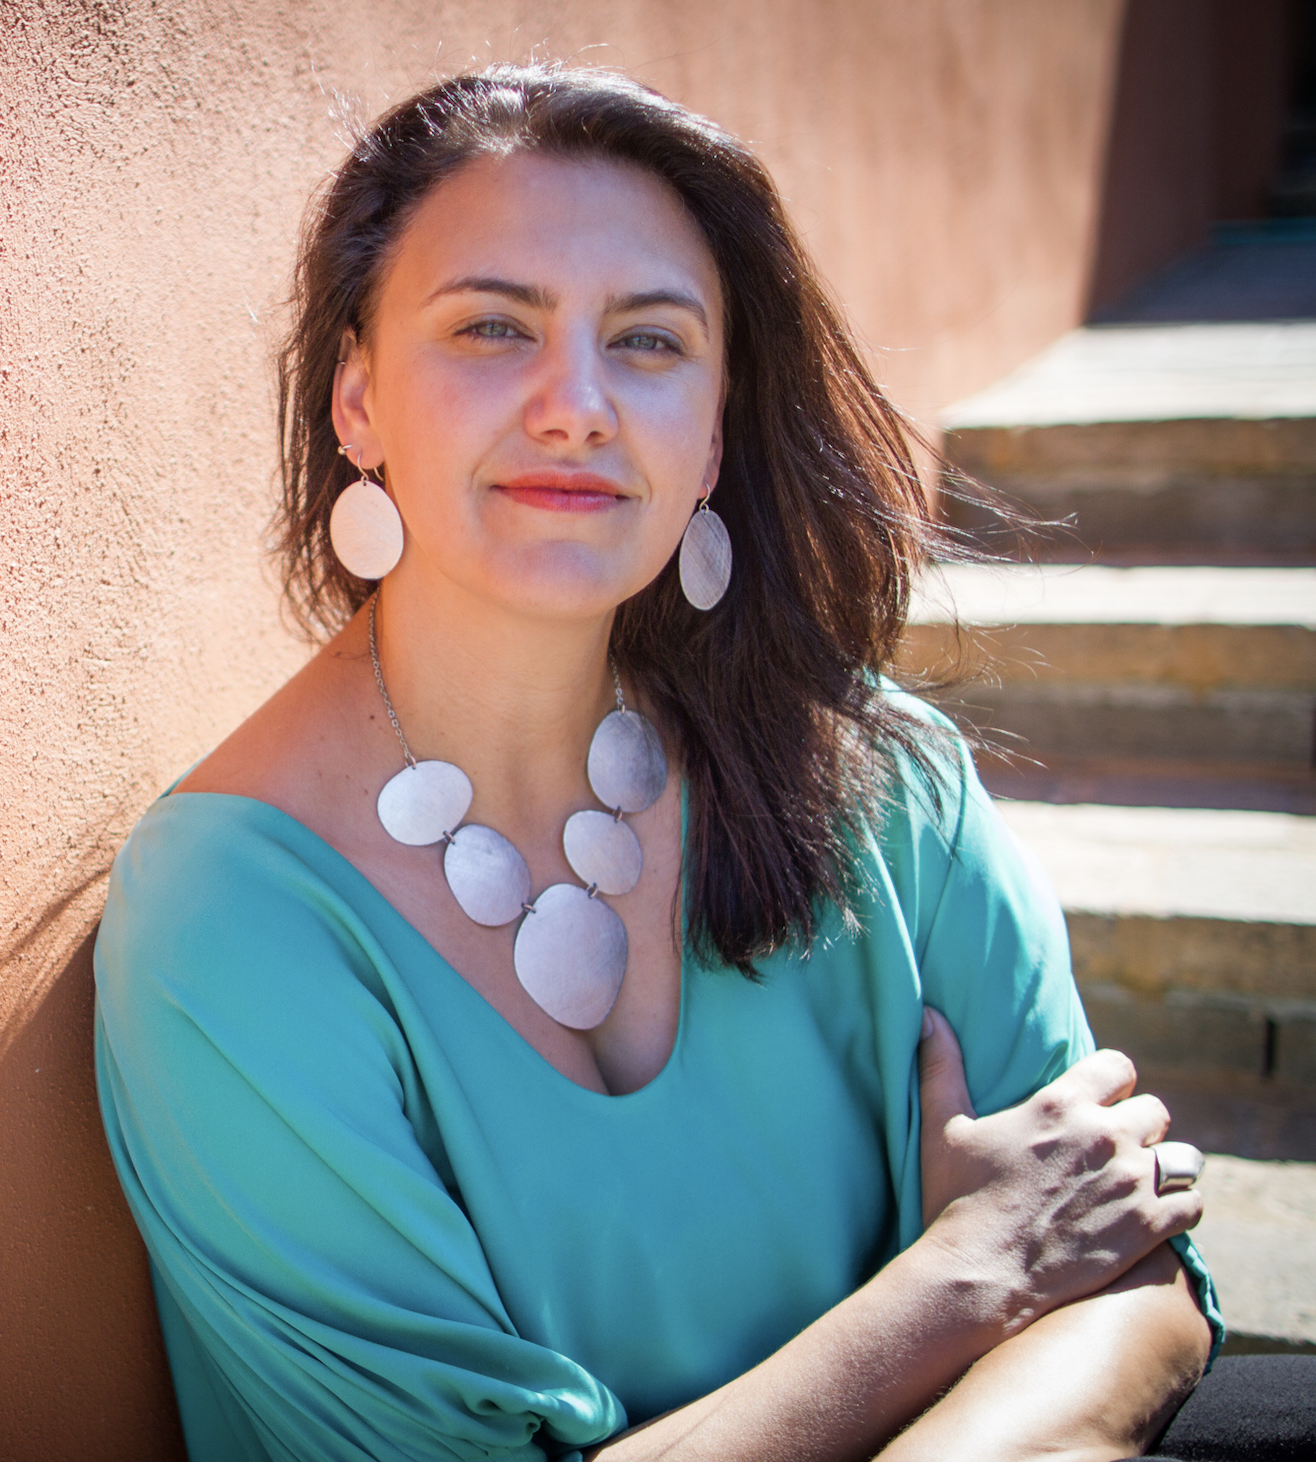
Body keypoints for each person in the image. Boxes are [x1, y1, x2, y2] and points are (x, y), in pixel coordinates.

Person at [94, 66, 1237, 1461]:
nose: (575, 402)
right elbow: (1030, 1253)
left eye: (647, 343)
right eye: (491, 326)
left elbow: (1131, 1277)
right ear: (356, 400)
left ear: (709, 435)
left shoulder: (883, 780)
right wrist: (960, 1279)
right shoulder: (229, 925)